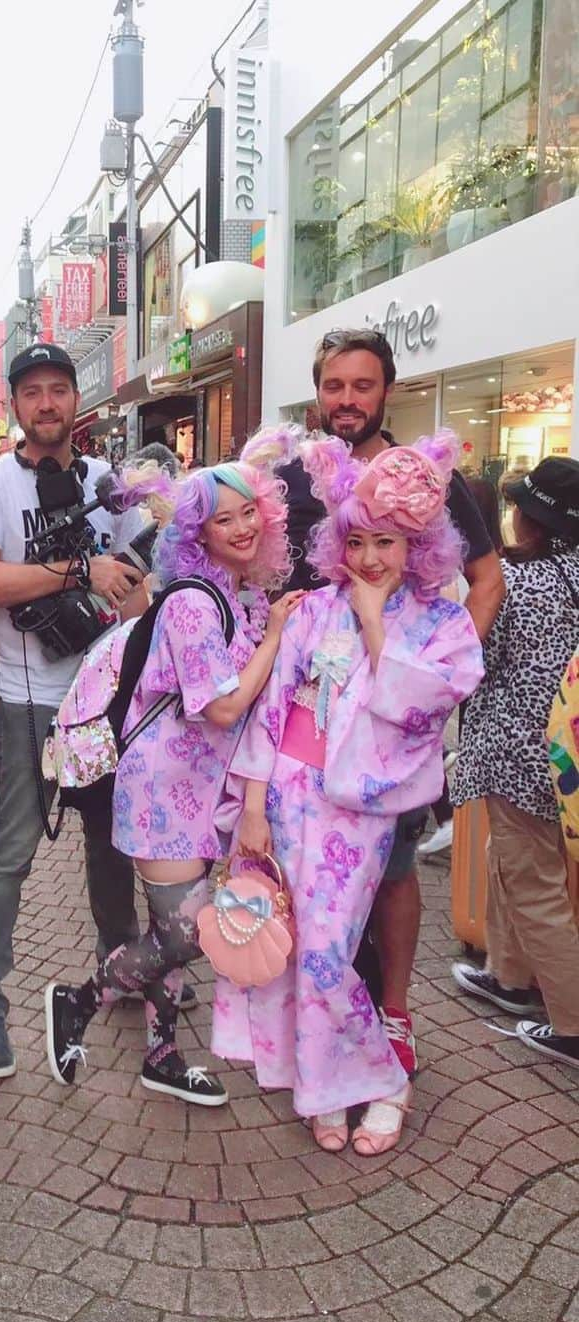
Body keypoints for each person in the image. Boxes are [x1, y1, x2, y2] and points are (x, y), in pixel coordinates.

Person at [217, 432, 484, 1154]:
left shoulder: (444, 622)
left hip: (358, 806)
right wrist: (251, 806)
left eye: (389, 544)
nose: (369, 559)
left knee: (330, 952)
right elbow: (273, 708)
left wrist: (372, 620)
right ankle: (325, 1082)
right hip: (290, 794)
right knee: (299, 947)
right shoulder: (310, 609)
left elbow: (426, 703)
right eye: (358, 541)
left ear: (419, 547)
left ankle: (386, 1079)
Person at [44, 434, 304, 1105]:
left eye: (250, 512)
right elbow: (221, 707)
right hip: (163, 790)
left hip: (198, 789)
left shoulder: (237, 594)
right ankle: (80, 997)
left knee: (169, 930)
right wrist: (275, 636)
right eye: (224, 519)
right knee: (189, 935)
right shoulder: (194, 602)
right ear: (199, 532)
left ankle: (160, 1056)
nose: (243, 527)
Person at [278, 329, 504, 1075]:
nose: (347, 400)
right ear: (318, 391)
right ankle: (319, 1022)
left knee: (396, 868)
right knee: (310, 870)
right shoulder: (296, 476)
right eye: (334, 385)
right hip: (313, 713)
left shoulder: (425, 479)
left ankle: (395, 1012)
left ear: (387, 392)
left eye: (362, 385)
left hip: (394, 723)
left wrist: (432, 683)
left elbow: (487, 580)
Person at [0, 342, 151, 1079]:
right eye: (32, 391)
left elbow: (142, 582)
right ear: (16, 403)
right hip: (24, 698)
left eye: (58, 389)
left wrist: (132, 591)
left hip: (104, 695)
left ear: (77, 401)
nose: (46, 403)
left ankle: (124, 961)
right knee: (9, 850)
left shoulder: (110, 481)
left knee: (113, 841)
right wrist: (75, 570)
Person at [452, 459, 579, 1070]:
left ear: (528, 519)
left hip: (518, 750)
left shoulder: (518, 582)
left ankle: (572, 1023)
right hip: (566, 752)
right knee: (514, 861)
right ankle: (508, 974)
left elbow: (477, 653)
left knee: (535, 886)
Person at [419, 474, 505, 858]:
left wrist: (444, 671)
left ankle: (450, 819)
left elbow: (484, 589)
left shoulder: (451, 569)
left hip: (468, 697)